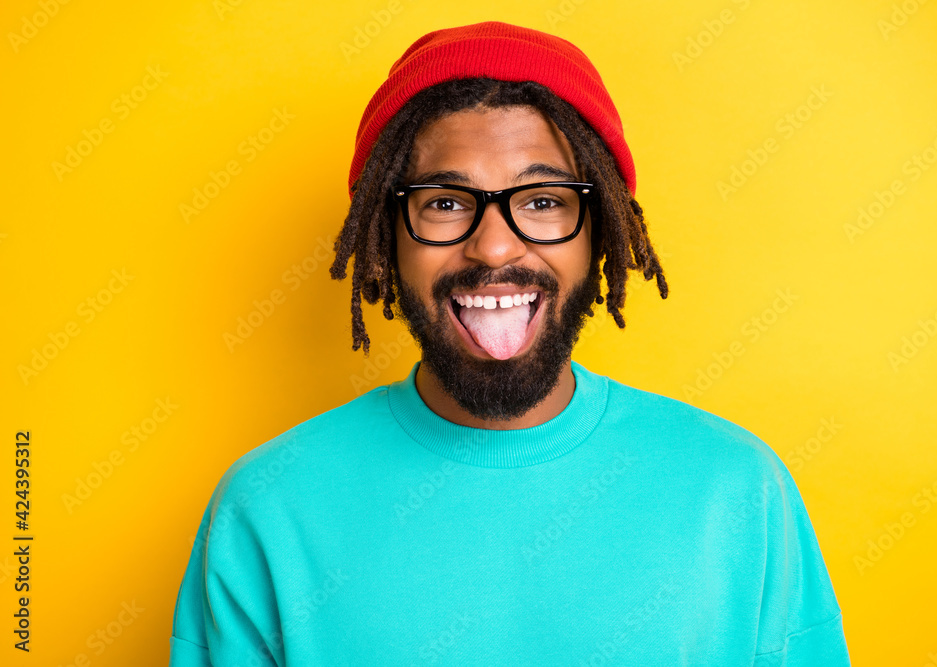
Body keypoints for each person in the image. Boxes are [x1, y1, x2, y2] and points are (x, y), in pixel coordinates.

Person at [169, 21, 850, 665]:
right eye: (444, 202)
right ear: (386, 238)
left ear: (601, 230)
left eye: (544, 201)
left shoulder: (736, 491)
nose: (494, 245)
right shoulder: (268, 507)